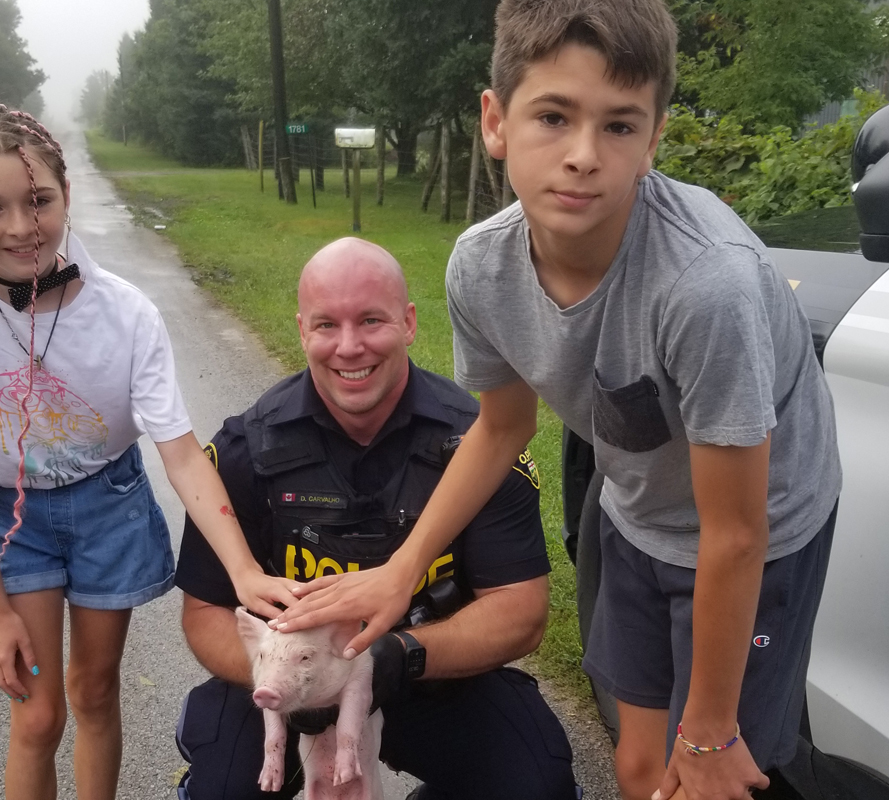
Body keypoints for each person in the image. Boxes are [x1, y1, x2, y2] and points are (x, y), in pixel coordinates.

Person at [274, 3, 843, 800]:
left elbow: (737, 532)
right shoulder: (480, 267)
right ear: (495, 120)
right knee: (642, 764)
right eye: (553, 115)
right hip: (637, 508)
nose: (583, 156)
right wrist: (401, 572)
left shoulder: (706, 285)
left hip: (762, 530)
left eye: (618, 126)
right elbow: (503, 428)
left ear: (654, 140)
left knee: (712, 771)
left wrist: (711, 730)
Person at [0, 104, 296, 800]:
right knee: (38, 714)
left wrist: (242, 570)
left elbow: (178, 452)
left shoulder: (127, 313)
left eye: (39, 201)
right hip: (9, 519)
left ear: (66, 195)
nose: (21, 227)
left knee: (92, 688)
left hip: (107, 503)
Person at [173, 238, 580, 800]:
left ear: (409, 322)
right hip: (290, 685)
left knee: (536, 785)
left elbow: (521, 612)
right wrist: (296, 683)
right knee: (222, 790)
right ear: (301, 330)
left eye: (371, 320)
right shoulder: (248, 447)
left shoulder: (475, 444)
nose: (349, 347)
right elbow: (204, 612)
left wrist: (400, 656)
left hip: (429, 672)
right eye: (326, 325)